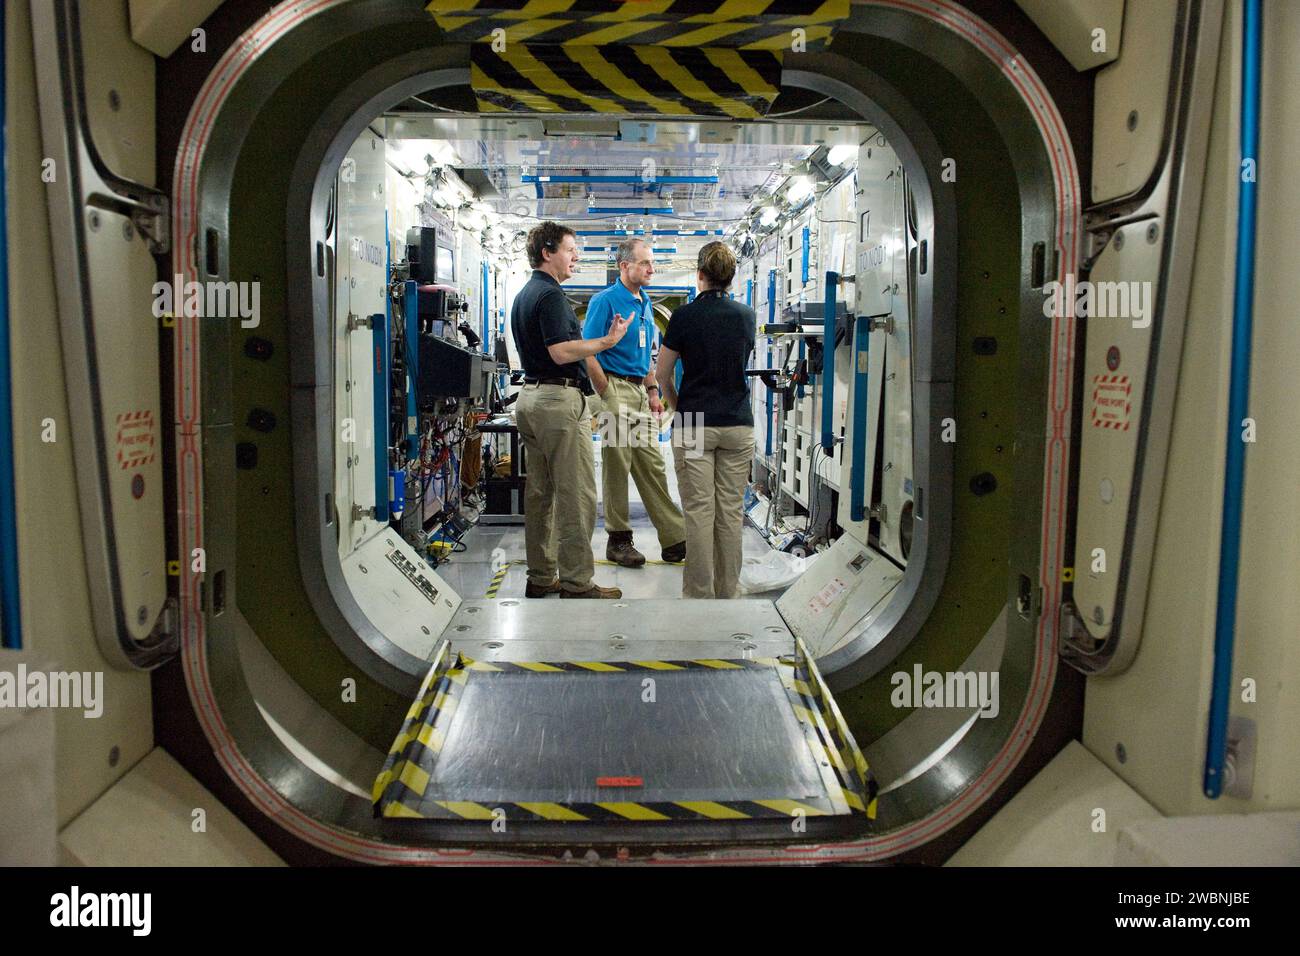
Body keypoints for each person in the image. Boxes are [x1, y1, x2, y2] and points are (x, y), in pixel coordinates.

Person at [511, 221, 631, 599]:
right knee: (576, 493)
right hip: (557, 403)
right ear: (548, 253)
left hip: (531, 399)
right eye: (569, 249)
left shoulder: (525, 294)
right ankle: (578, 581)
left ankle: (542, 576)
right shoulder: (550, 297)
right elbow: (560, 352)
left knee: (541, 494)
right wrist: (606, 341)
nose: (576, 256)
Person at [654, 242, 756, 599]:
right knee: (730, 511)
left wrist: (680, 407)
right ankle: (728, 591)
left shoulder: (684, 317)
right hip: (738, 423)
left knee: (699, 510)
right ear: (730, 277)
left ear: (700, 275)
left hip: (695, 420)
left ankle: (698, 595)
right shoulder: (746, 315)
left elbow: (662, 374)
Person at [583, 239, 687, 568]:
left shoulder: (643, 302)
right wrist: (607, 393)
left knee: (652, 465)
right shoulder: (605, 301)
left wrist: (654, 390)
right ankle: (618, 539)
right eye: (644, 263)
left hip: (640, 393)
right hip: (614, 388)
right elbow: (587, 351)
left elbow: (645, 355)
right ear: (624, 266)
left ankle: (674, 537)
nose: (651, 269)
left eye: (651, 263)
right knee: (617, 464)